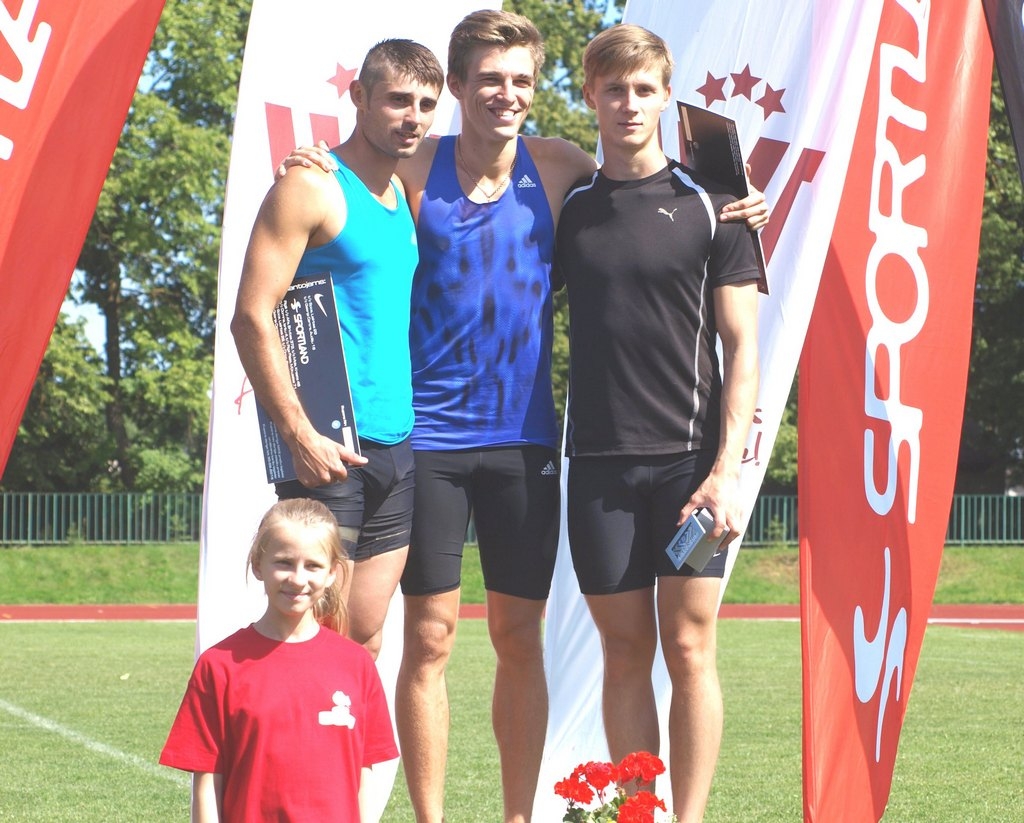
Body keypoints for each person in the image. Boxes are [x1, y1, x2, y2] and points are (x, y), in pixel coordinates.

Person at [282, 11, 767, 822]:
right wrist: (313, 163)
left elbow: (657, 211)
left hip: (534, 445)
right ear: (459, 87)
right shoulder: (416, 171)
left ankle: (526, 815)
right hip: (428, 443)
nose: (506, 94)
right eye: (489, 79)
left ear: (540, 92)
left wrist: (734, 201)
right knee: (429, 639)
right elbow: (344, 187)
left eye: (520, 81)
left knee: (529, 640)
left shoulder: (560, 172)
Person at [554, 24, 761, 823]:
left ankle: (691, 817)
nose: (629, 103)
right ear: (592, 97)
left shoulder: (716, 208)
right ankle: (639, 812)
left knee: (689, 646)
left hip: (689, 469)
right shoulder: (569, 210)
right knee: (626, 651)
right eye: (614, 89)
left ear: (665, 97)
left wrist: (727, 470)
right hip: (598, 467)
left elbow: (743, 347)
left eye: (644, 89)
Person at [231, 40, 444, 660]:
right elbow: (251, 315)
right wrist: (298, 433)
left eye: (427, 104)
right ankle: (276, 758)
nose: (414, 116)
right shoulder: (312, 185)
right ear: (358, 97)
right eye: (399, 99)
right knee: (310, 641)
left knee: (365, 638)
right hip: (325, 444)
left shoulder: (404, 188)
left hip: (396, 442)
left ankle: (350, 763)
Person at [159, 498, 399, 822]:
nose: (298, 579)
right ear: (258, 564)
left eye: (313, 566)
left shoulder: (356, 665)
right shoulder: (219, 665)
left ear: (332, 573)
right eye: (284, 562)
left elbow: (365, 772)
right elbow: (206, 781)